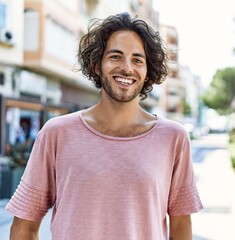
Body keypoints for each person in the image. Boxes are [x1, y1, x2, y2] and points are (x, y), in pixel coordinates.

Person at [6, 12, 203, 240]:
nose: (127, 68)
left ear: (147, 71)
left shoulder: (174, 138)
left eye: (137, 60)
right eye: (116, 56)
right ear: (97, 65)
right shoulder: (56, 133)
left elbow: (180, 227)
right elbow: (24, 227)